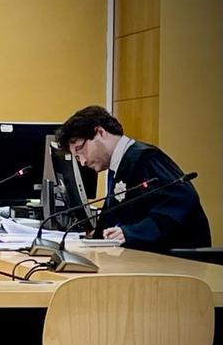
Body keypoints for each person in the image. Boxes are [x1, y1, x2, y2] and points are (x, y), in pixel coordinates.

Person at [56, 105, 210, 251]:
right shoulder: (117, 166)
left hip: (176, 259)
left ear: (100, 133)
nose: (83, 162)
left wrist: (131, 233)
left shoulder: (146, 158)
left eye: (80, 150)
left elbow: (182, 200)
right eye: (77, 158)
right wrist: (96, 237)